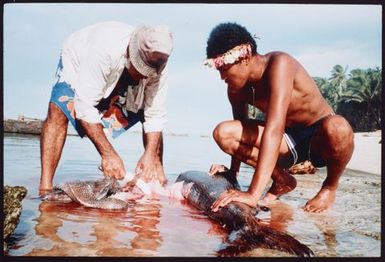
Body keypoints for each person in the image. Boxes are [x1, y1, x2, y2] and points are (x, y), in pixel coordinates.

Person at [204, 22, 354, 213]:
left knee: (338, 127)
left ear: (245, 57)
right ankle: (282, 180)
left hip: (321, 138)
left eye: (223, 68)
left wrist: (253, 194)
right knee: (224, 132)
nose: (222, 77)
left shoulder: (279, 63)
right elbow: (243, 127)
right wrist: (233, 174)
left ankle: (329, 188)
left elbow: (274, 128)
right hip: (288, 141)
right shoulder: (235, 90)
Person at [39, 21, 173, 195]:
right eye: (141, 69)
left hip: (116, 70)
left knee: (146, 110)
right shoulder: (104, 49)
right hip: (80, 60)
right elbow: (84, 106)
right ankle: (45, 186)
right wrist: (108, 154)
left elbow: (154, 114)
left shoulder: (160, 63)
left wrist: (150, 154)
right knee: (57, 110)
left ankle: (157, 170)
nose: (144, 75)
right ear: (131, 54)